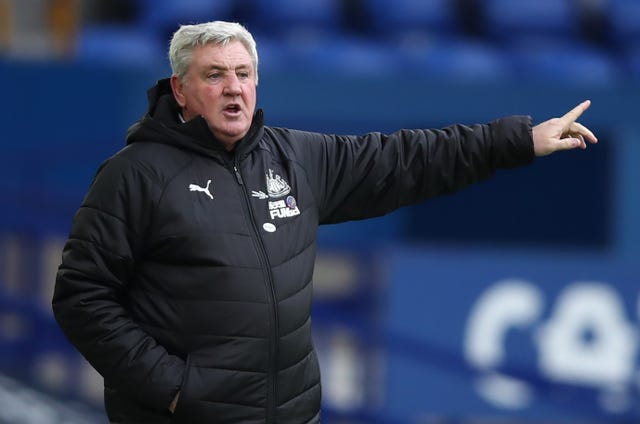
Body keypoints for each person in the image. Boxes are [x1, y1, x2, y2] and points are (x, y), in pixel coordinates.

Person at [51, 21, 597, 424]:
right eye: (214, 76)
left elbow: (408, 159)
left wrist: (518, 140)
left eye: (243, 74)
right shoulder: (135, 174)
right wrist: (173, 390)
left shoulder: (295, 158)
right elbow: (81, 297)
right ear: (180, 91)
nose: (233, 88)